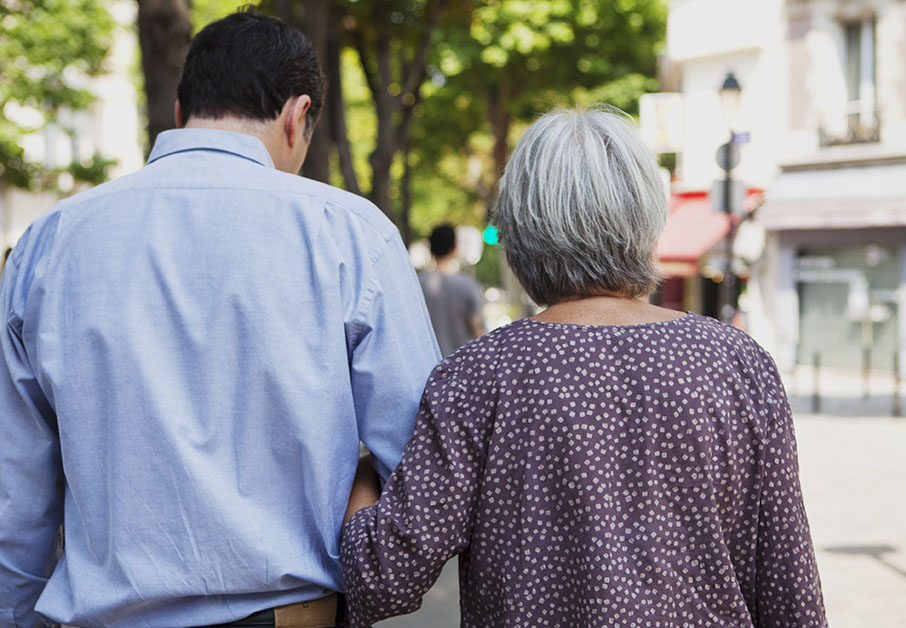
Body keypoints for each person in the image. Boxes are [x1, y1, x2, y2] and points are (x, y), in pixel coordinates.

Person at [0, 10, 440, 628]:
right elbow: (424, 462)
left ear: (182, 111)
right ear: (297, 116)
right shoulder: (351, 234)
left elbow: (15, 491)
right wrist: (359, 498)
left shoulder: (48, 243)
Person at [340, 107, 827, 628]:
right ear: (647, 218)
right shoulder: (736, 364)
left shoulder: (478, 376)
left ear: (520, 230)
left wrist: (364, 469)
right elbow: (790, 591)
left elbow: (382, 578)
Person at [418, 224, 485, 356]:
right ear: (454, 247)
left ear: (430, 248)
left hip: (425, 362)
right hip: (459, 362)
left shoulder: (417, 284)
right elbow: (477, 330)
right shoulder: (467, 285)